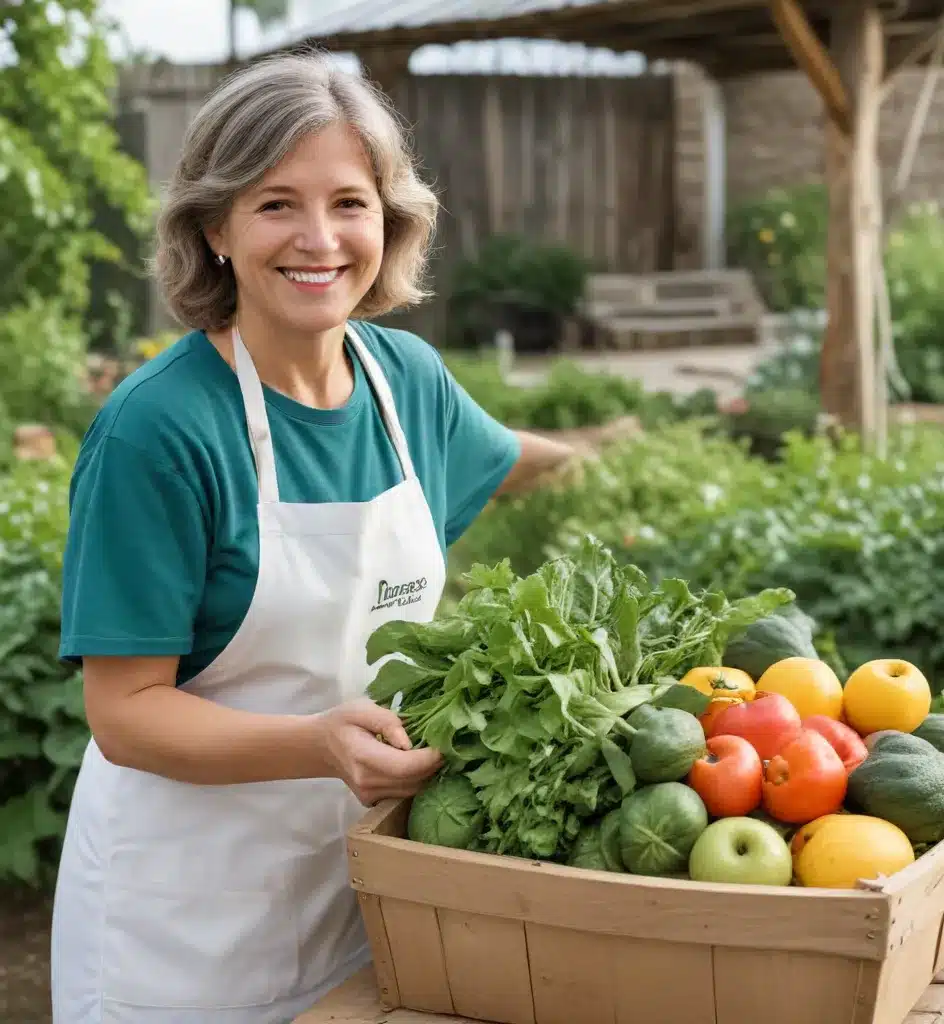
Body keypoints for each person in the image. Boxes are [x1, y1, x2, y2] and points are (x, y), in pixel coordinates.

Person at [50, 51, 576, 1024]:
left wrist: (621, 462)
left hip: (353, 899)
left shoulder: (404, 380)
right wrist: (317, 743)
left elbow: (513, 457)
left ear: (390, 221)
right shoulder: (160, 432)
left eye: (349, 202)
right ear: (215, 226)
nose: (320, 238)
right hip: (181, 928)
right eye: (276, 203)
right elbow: (124, 711)